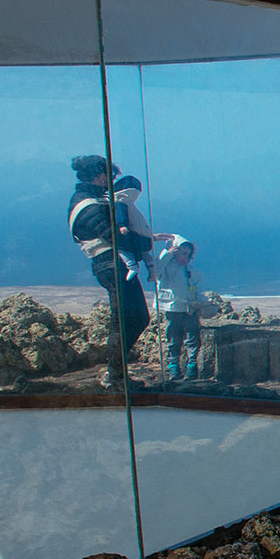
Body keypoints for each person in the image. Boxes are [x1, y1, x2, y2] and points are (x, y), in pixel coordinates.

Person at [67, 154, 154, 390]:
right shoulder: (89, 205)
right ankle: (115, 377)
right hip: (111, 264)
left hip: (112, 264)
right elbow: (113, 236)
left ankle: (115, 372)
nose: (112, 180)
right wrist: (147, 242)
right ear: (100, 176)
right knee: (125, 321)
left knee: (135, 318)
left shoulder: (88, 200)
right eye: (109, 175)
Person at [149, 233, 207, 381]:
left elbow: (198, 289)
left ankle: (192, 366)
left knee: (192, 338)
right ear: (174, 251)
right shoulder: (165, 269)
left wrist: (202, 302)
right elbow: (154, 273)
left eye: (189, 254)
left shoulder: (192, 271)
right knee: (173, 338)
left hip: (189, 309)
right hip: (172, 309)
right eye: (183, 253)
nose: (186, 257)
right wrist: (167, 255)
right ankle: (173, 366)